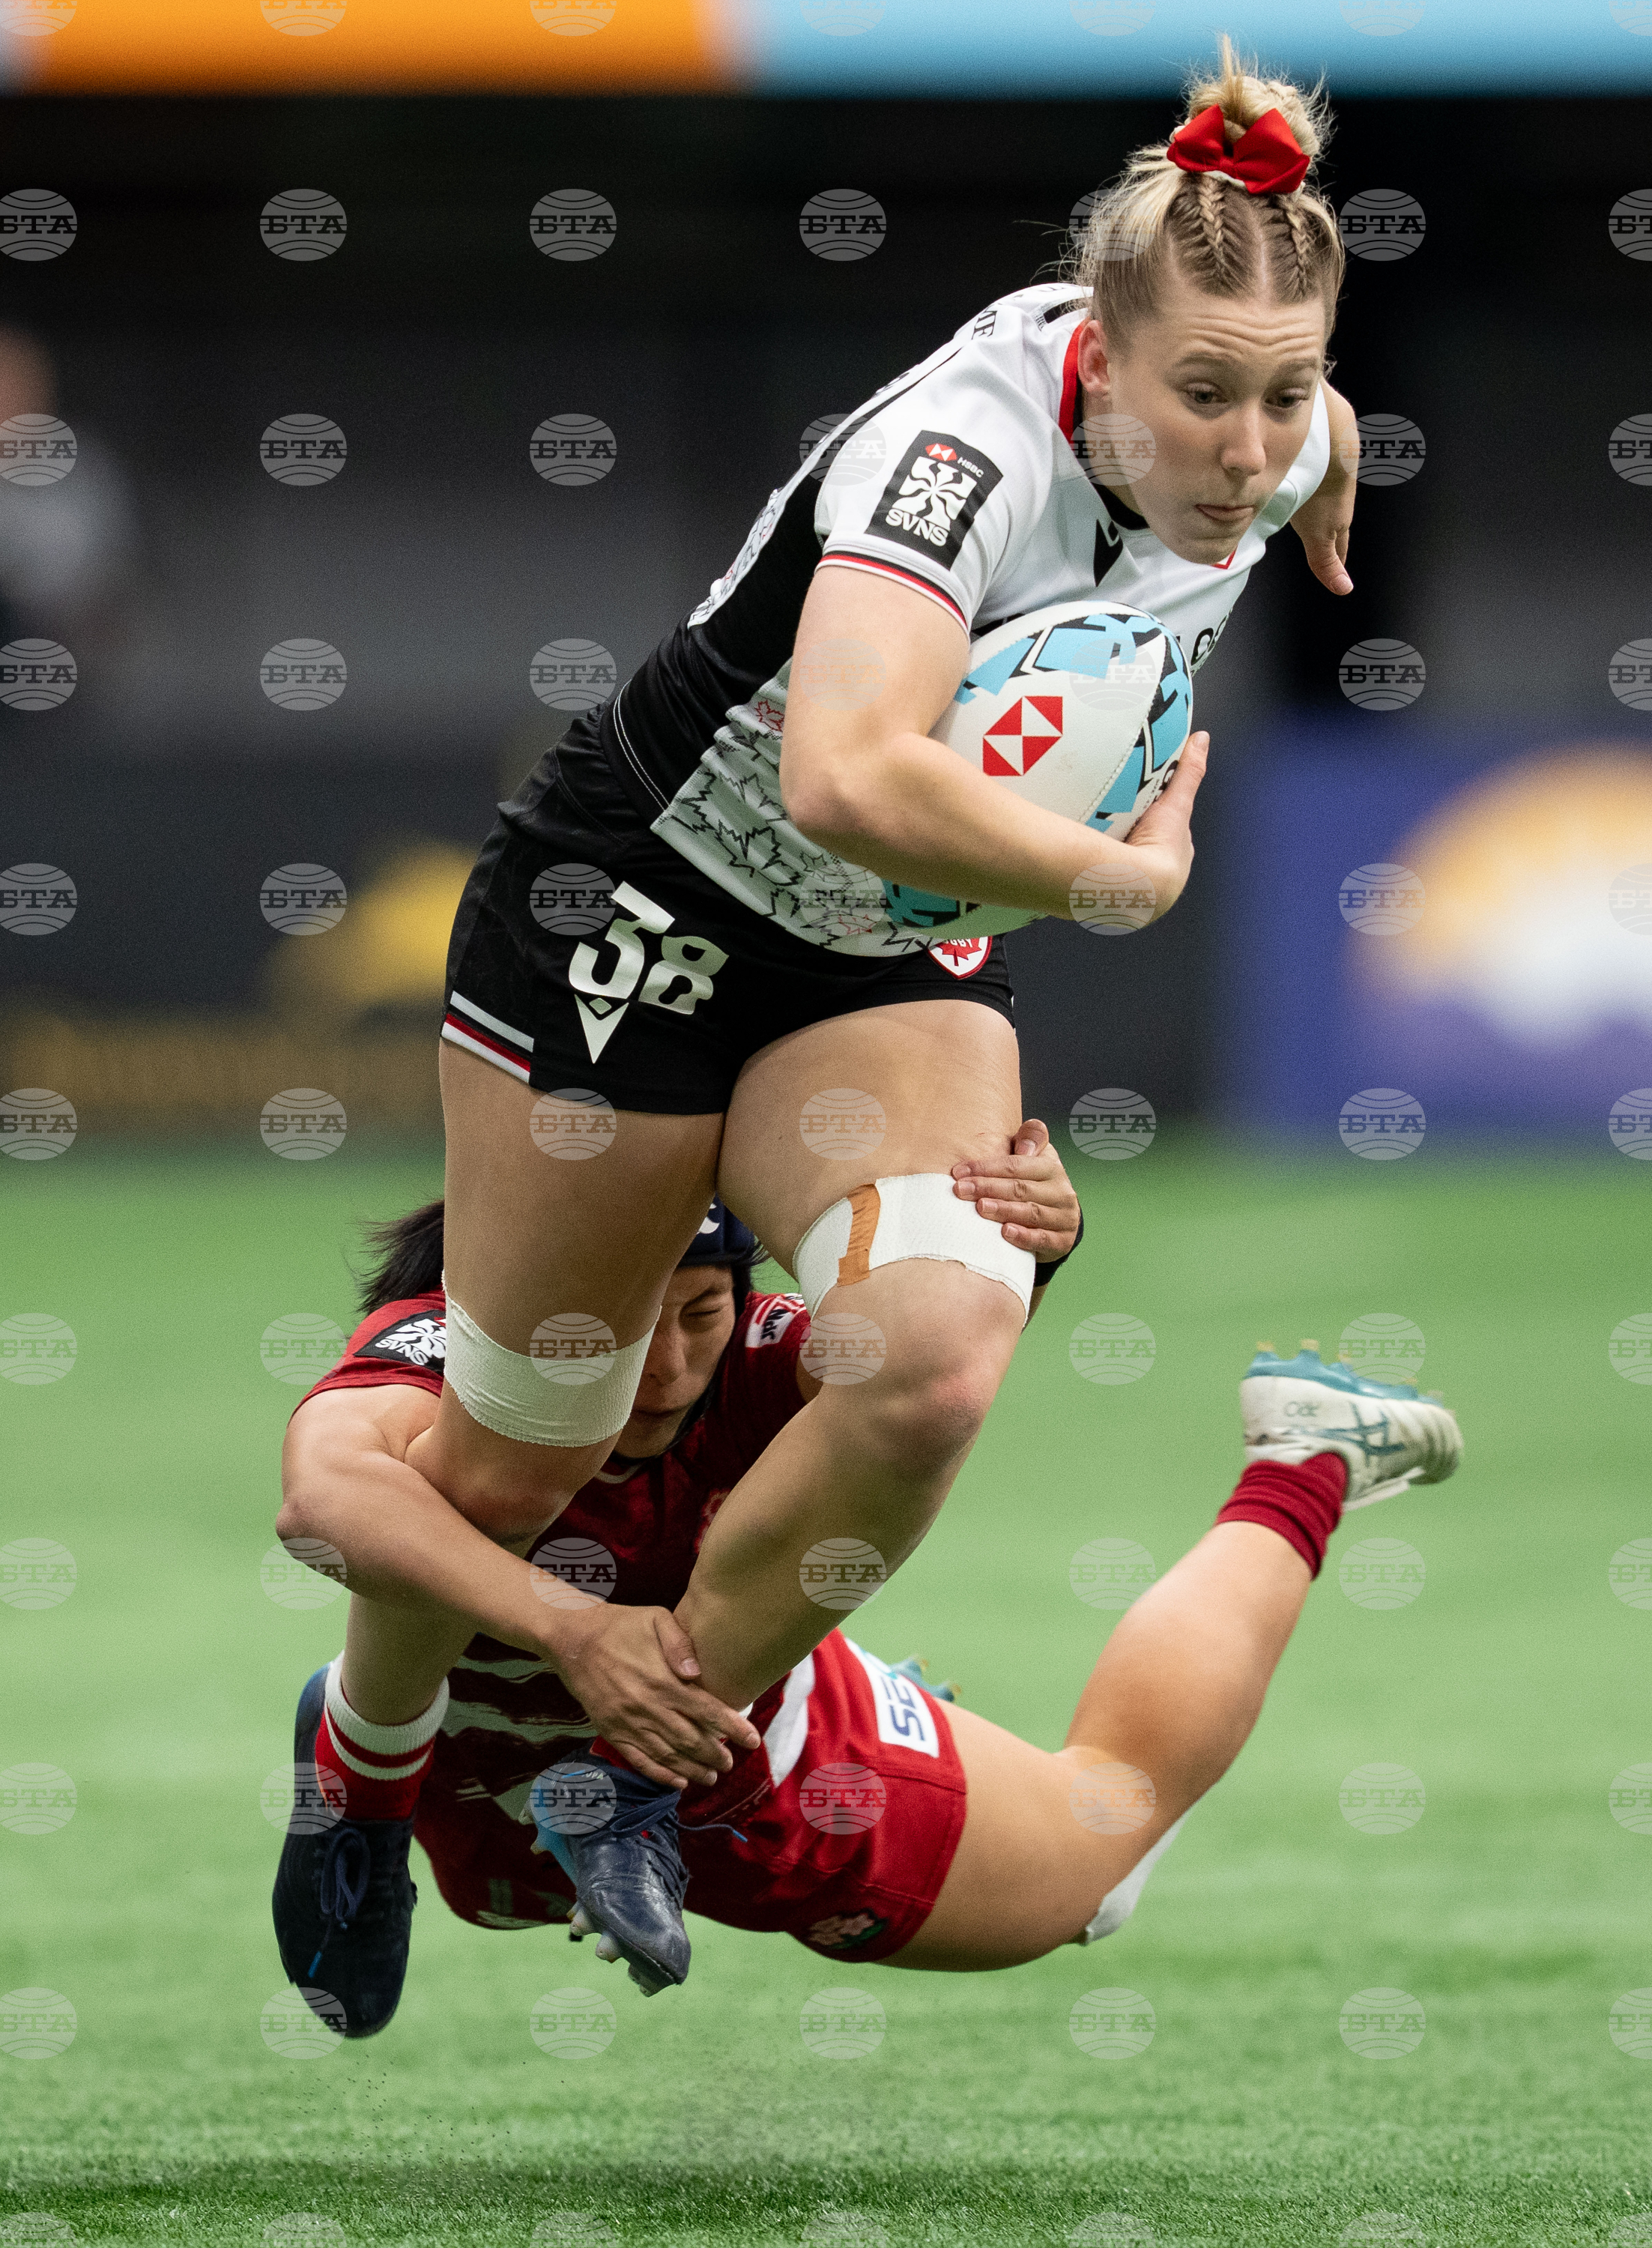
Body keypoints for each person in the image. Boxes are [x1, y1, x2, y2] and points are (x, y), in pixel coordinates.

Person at [403, 40, 1362, 1976]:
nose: (1247, 446)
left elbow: (1314, 426)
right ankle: (359, 1763)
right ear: (1097, 352)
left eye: (1286, 392)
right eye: (1206, 395)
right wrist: (1112, 882)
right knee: (512, 1463)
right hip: (649, 903)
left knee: (928, 1360)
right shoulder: (963, 457)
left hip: (876, 957)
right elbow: (842, 773)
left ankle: (641, 1774)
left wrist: (1325, 471)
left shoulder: (1271, 427)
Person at [272, 1162, 1462, 2031]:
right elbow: (323, 1501)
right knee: (426, 1498)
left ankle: (1303, 1458)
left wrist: (1023, 1251)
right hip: (474, 1726)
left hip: (755, 1754)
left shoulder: (777, 1352)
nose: (670, 1368)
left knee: (1093, 1857)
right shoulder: (441, 1345)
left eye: (701, 1312)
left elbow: (928, 1372)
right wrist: (573, 1632)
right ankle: (366, 1758)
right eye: (631, 1322)